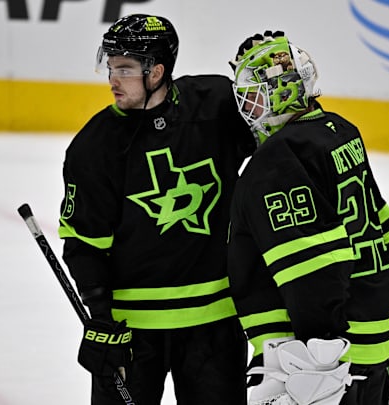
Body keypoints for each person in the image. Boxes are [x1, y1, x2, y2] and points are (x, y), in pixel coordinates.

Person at [57, 14, 255, 405]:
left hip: (213, 325)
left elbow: (278, 136)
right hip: (131, 333)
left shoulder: (216, 106)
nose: (113, 79)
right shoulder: (95, 146)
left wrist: (262, 80)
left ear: (157, 71)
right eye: (110, 67)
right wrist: (100, 318)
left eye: (125, 69)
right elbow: (84, 243)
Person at [226, 31, 389, 405]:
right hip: (373, 336)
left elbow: (313, 267)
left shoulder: (277, 162)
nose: (248, 110)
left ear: (284, 93)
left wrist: (318, 369)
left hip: (326, 359)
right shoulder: (340, 131)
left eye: (257, 98)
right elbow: (387, 231)